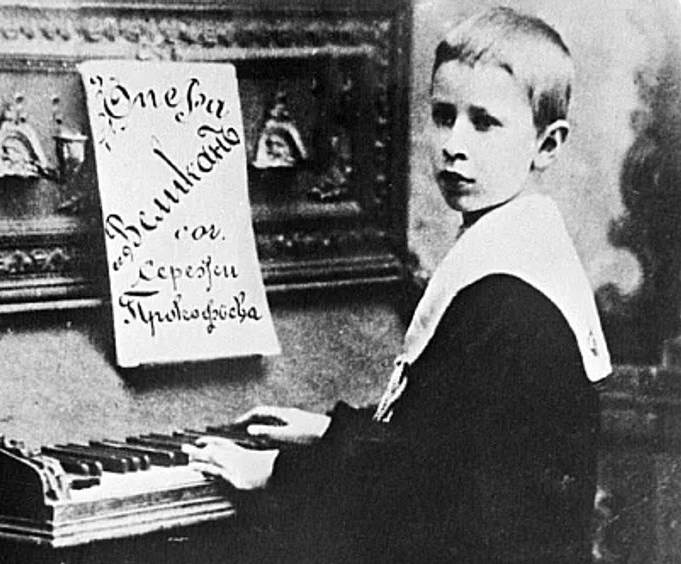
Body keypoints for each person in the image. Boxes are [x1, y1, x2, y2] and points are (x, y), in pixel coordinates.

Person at [184, 6, 612, 564]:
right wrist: (331, 432)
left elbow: (429, 488)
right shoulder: (512, 248)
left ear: (547, 145)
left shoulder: (510, 299)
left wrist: (275, 471)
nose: (454, 144)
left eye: (484, 123)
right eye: (443, 116)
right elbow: (443, 437)